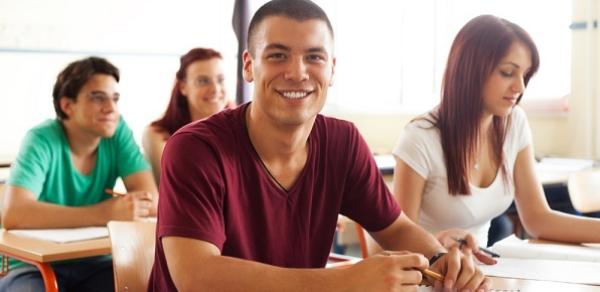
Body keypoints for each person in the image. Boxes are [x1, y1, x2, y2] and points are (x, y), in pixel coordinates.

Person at [148, 1, 489, 291]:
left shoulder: (343, 142)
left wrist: (441, 260)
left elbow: (395, 227)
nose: (297, 72)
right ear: (249, 66)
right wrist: (345, 282)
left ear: (332, 69)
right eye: (278, 55)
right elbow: (195, 277)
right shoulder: (194, 149)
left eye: (314, 57)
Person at [392, 14, 600, 263]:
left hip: (482, 273)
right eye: (507, 73)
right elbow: (396, 245)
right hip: (429, 275)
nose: (520, 87)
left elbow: (537, 219)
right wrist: (435, 251)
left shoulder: (515, 123)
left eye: (525, 74)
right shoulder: (420, 138)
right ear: (471, 70)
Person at [0, 56, 158, 291]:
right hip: (33, 266)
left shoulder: (117, 130)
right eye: (97, 98)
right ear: (67, 106)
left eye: (115, 98)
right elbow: (15, 213)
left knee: (144, 285)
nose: (111, 108)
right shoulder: (41, 139)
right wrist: (102, 213)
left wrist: (126, 209)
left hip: (97, 262)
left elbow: (152, 200)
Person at [143, 47, 233, 184]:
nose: (215, 89)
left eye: (220, 80)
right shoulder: (157, 135)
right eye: (203, 81)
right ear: (183, 87)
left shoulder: (244, 132)